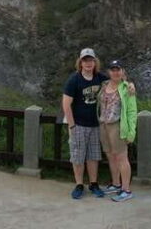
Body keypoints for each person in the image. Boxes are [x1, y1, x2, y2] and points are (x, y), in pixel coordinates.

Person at [62, 48, 108, 199]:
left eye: (91, 60)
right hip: (79, 125)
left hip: (95, 125)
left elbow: (117, 84)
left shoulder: (101, 78)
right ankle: (79, 184)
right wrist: (72, 125)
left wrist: (129, 85)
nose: (88, 63)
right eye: (85, 60)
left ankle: (93, 184)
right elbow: (66, 104)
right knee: (78, 156)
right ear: (80, 62)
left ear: (95, 62)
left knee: (93, 156)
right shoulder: (74, 80)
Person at [98, 59, 137, 202]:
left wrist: (131, 132)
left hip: (118, 126)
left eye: (118, 69)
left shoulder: (127, 88)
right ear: (109, 72)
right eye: (113, 69)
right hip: (103, 124)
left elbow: (132, 111)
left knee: (121, 157)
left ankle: (126, 190)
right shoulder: (103, 85)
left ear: (123, 72)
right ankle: (116, 183)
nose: (115, 72)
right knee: (110, 155)